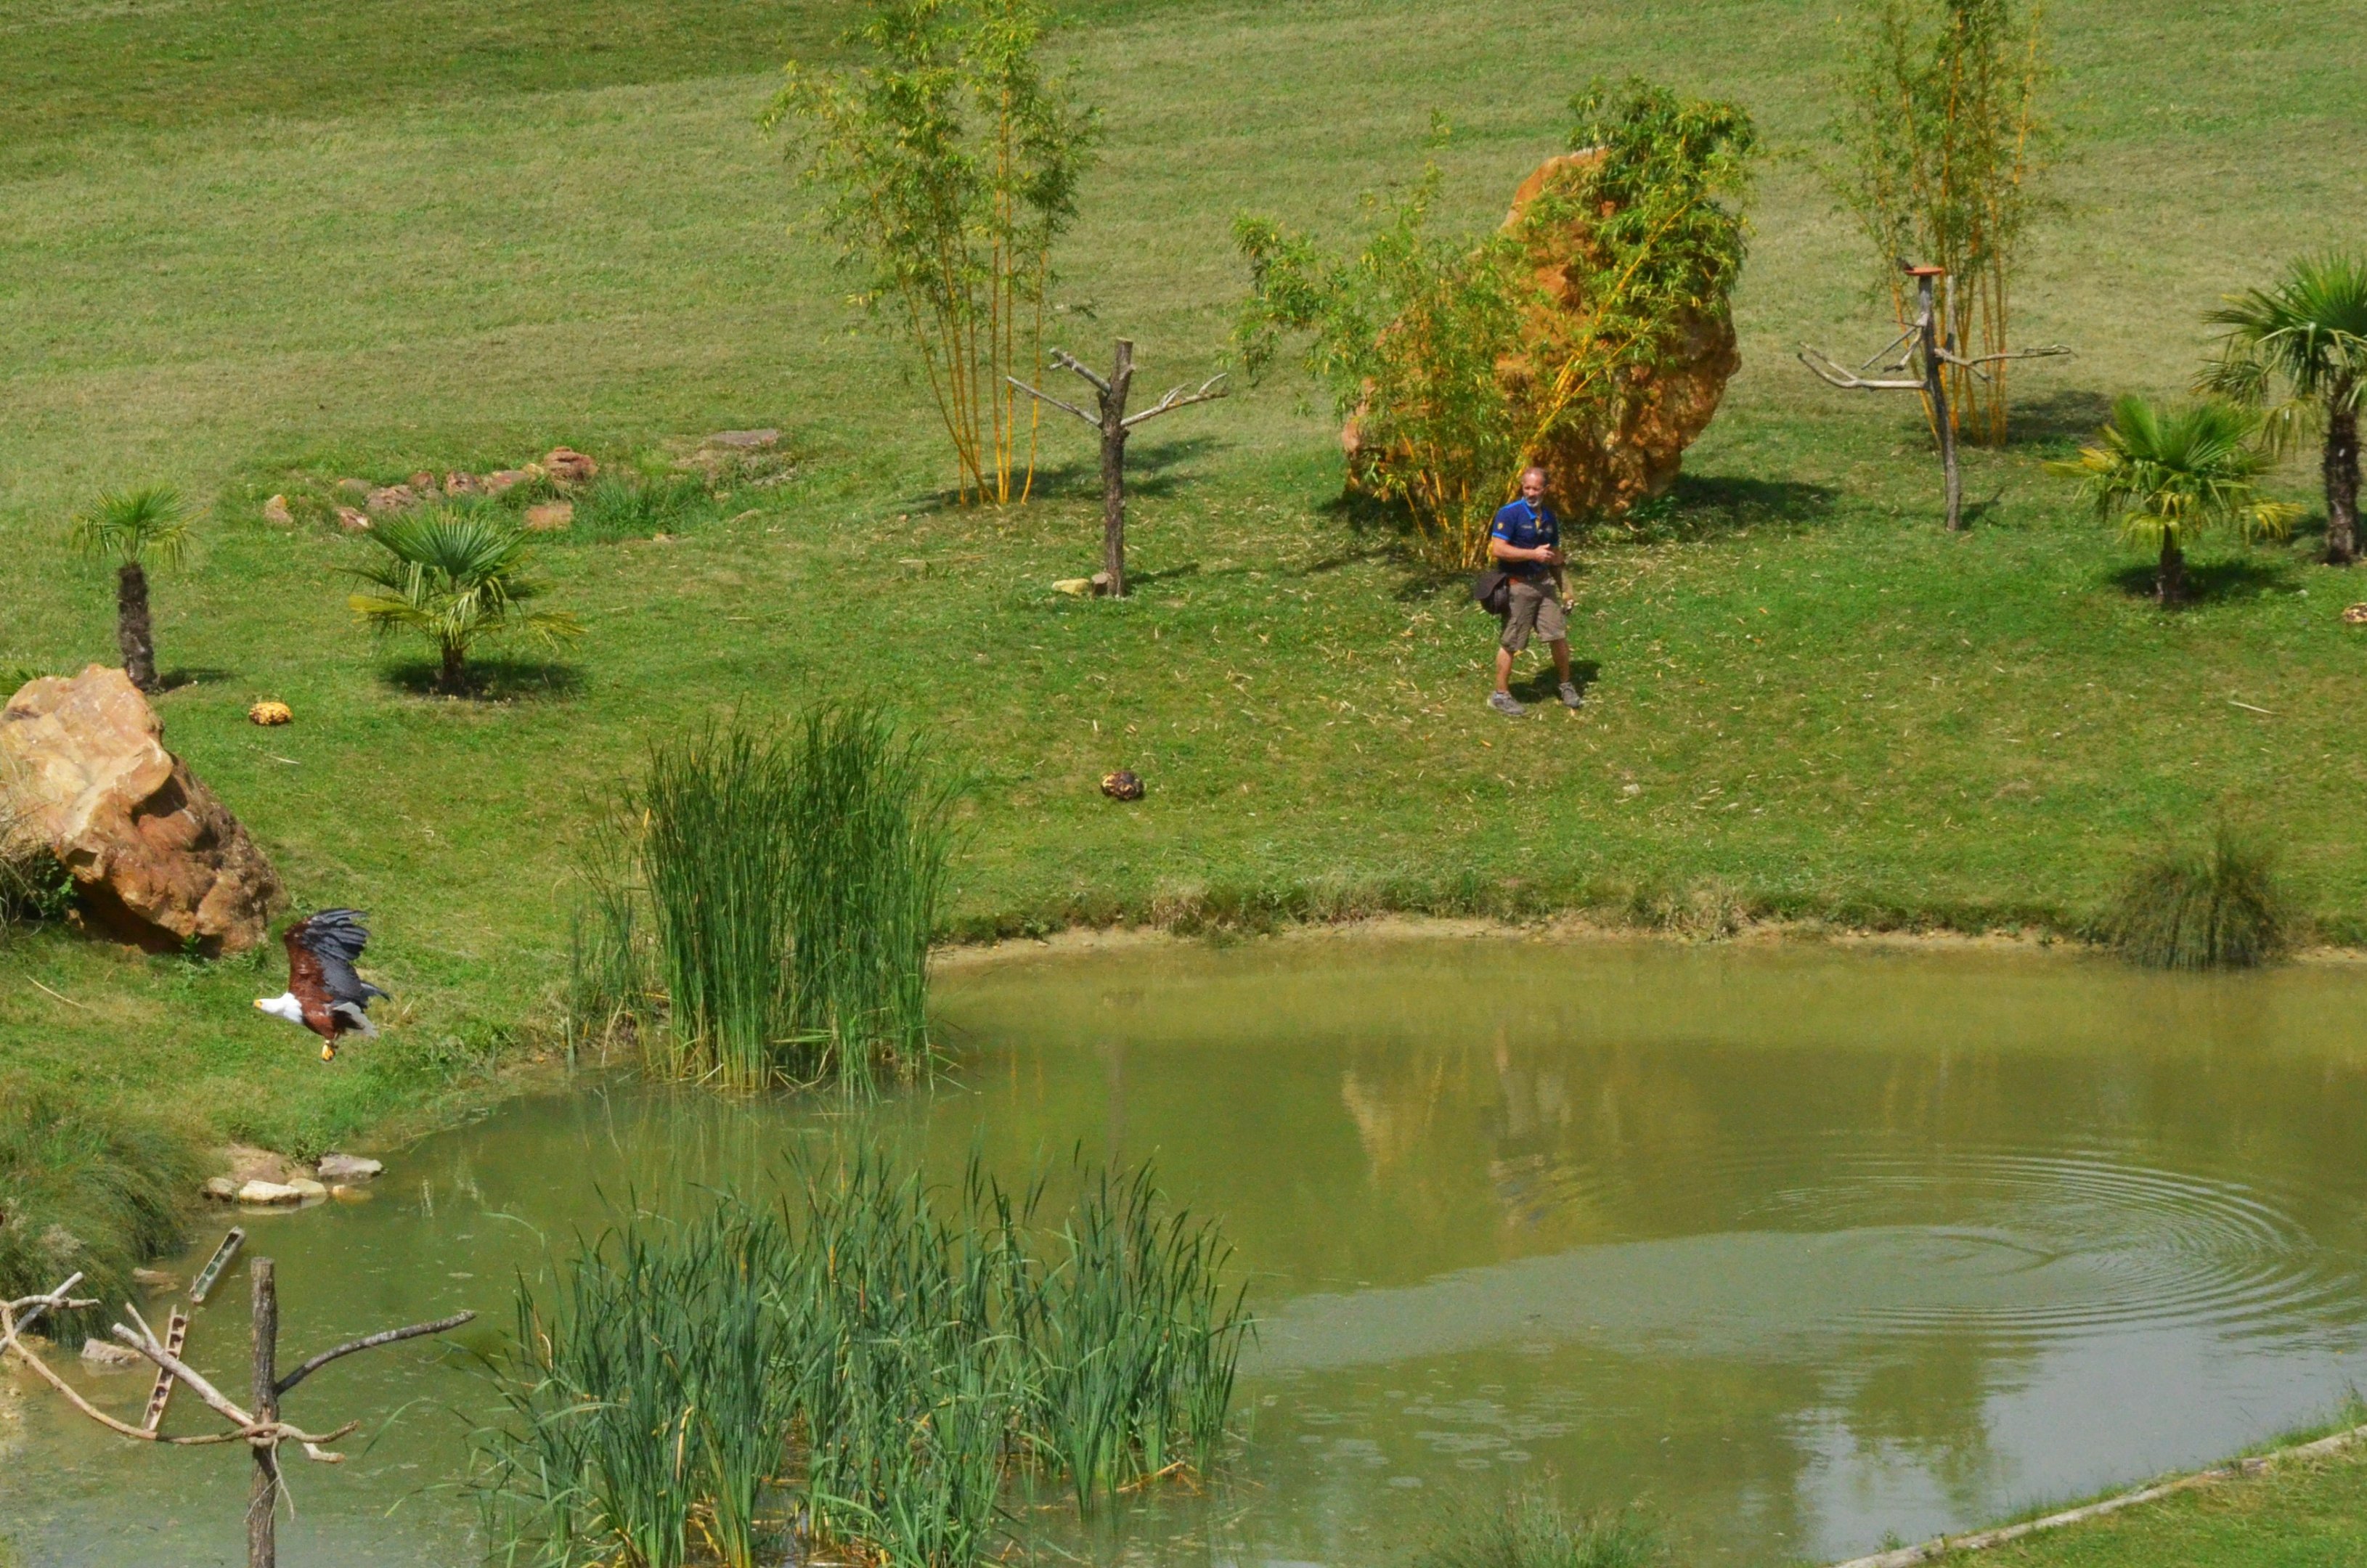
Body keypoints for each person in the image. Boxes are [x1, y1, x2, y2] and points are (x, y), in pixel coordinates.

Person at [1486, 466, 1581, 716]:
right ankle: (1500, 695)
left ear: (1545, 490)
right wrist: (1532, 554)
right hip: (1519, 587)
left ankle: (1565, 685)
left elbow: (1555, 557)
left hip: (1545, 585)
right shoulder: (1510, 514)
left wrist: (1567, 590)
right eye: (1526, 488)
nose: (1530, 493)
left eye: (1536, 488)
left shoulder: (1549, 517)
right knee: (1512, 642)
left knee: (1557, 636)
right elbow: (1498, 550)